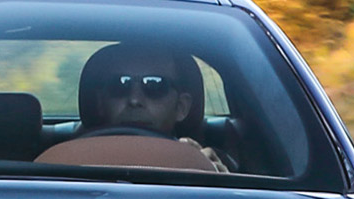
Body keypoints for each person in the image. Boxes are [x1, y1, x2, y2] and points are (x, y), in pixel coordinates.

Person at [38, 41, 228, 172]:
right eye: (120, 85)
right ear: (100, 102)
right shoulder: (63, 168)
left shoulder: (204, 165)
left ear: (181, 106)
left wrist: (216, 179)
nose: (135, 99)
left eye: (154, 86)